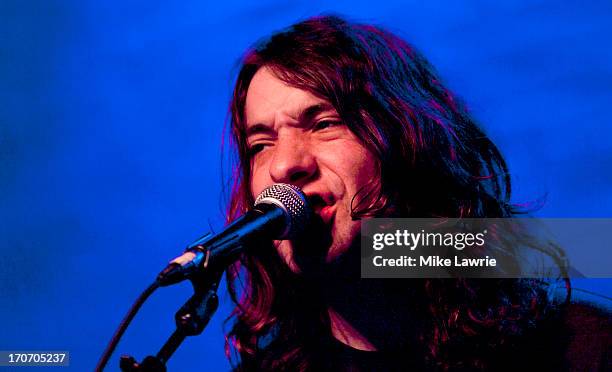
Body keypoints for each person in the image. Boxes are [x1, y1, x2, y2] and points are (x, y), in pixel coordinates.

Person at [221, 15, 610, 371]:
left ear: (408, 146)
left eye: (323, 124)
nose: (283, 166)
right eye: (261, 144)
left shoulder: (575, 349)